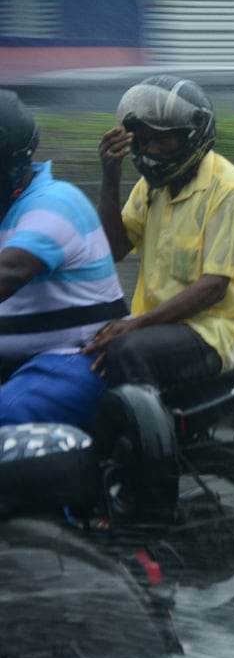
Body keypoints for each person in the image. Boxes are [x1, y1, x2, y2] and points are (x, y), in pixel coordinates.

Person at [87, 74, 234, 389]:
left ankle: (151, 437)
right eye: (143, 141)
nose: (150, 150)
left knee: (127, 352)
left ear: (192, 137)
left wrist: (136, 326)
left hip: (220, 330)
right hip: (158, 326)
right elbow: (113, 250)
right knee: (86, 343)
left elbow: (213, 286)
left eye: (161, 139)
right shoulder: (150, 189)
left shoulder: (230, 190)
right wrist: (110, 177)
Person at [0, 90, 128, 428]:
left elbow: (9, 272)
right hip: (16, 360)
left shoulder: (55, 202)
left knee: (4, 415)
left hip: (76, 357)